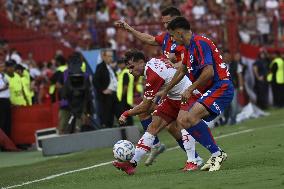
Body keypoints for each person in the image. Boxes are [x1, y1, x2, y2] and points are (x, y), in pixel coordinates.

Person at [156, 17, 234, 172]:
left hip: (221, 86)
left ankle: (217, 153)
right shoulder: (188, 47)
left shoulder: (200, 43)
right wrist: (166, 90)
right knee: (182, 120)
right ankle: (216, 153)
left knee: (191, 117)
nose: (171, 39)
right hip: (210, 89)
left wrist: (190, 89)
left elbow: (209, 72)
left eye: (172, 36)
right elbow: (182, 70)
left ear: (179, 33)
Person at [115, 6, 190, 164]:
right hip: (167, 87)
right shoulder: (166, 38)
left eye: (168, 22)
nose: (165, 26)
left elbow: (187, 64)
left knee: (174, 125)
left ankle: (199, 155)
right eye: (163, 23)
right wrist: (129, 28)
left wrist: (171, 65)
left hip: (184, 85)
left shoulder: (185, 39)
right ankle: (156, 145)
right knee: (146, 113)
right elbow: (148, 39)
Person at [112, 50, 202, 175]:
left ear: (141, 62)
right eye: (128, 68)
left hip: (188, 94)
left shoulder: (152, 74)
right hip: (173, 97)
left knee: (181, 125)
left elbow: (144, 107)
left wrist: (126, 113)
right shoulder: (154, 61)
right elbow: (172, 60)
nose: (130, 71)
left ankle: (194, 160)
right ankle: (132, 163)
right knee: (153, 126)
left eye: (132, 67)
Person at [93, 49, 123, 128]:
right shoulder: (100, 67)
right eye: (109, 56)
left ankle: (124, 132)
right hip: (107, 97)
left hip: (114, 94)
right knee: (108, 118)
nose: (111, 58)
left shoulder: (110, 67)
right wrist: (103, 90)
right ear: (104, 57)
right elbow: (95, 81)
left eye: (112, 56)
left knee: (120, 114)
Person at [116, 58, 134, 126]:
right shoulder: (126, 72)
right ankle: (130, 127)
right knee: (128, 114)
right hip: (128, 96)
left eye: (121, 64)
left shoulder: (124, 73)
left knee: (125, 114)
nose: (120, 65)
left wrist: (122, 95)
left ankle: (128, 128)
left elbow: (125, 86)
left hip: (124, 97)